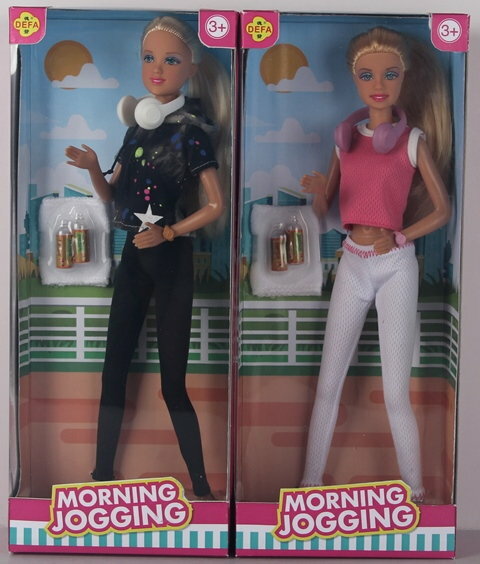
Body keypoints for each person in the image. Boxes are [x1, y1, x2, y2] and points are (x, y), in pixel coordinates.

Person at [65, 16, 230, 499]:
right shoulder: (136, 129)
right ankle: (100, 475)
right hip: (133, 258)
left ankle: (202, 486)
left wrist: (170, 231)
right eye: (149, 58)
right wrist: (93, 168)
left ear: (191, 69)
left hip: (172, 260)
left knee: (172, 383)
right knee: (112, 371)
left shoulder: (191, 135)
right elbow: (111, 196)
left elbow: (216, 205)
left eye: (170, 60)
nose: (157, 69)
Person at [300, 26, 452, 501]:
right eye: (367, 75)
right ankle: (309, 481)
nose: (378, 84)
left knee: (394, 393)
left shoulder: (411, 140)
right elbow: (325, 210)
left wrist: (402, 235)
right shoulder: (345, 139)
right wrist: (317, 193)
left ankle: (416, 489)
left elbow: (442, 210)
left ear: (404, 77)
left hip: (396, 265)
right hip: (352, 260)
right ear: (354, 78)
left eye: (389, 73)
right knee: (328, 384)